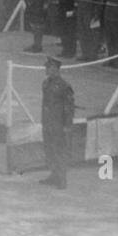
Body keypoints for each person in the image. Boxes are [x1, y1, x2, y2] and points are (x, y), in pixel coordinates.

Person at [40, 56, 76, 188]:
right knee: (49, 149)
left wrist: (67, 125)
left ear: (55, 69)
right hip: (48, 123)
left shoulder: (64, 86)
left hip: (59, 124)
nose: (46, 70)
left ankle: (62, 179)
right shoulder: (45, 83)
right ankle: (53, 175)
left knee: (59, 150)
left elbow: (69, 107)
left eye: (48, 68)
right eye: (46, 68)